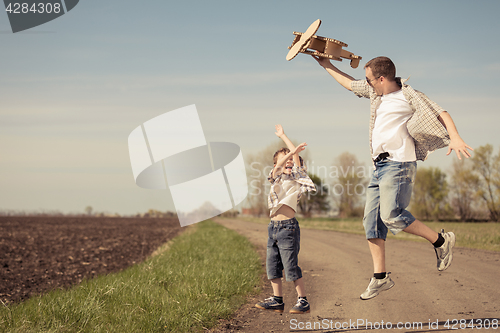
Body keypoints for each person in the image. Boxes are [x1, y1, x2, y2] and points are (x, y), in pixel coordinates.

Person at [312, 55, 473, 300]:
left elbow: (441, 112)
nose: (367, 84)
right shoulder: (377, 95)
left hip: (399, 164)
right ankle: (380, 278)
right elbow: (349, 84)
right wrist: (325, 64)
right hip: (380, 167)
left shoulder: (409, 96)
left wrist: (456, 137)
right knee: (371, 222)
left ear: (382, 78)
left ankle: (441, 241)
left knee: (391, 215)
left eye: (370, 80)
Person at [255, 124, 316, 313]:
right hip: (272, 228)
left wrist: (285, 139)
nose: (288, 164)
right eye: (285, 162)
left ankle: (302, 300)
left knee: (290, 265)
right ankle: (277, 299)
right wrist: (289, 153)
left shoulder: (296, 179)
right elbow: (280, 166)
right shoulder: (275, 178)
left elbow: (295, 160)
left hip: (288, 228)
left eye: (292, 161)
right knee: (272, 266)